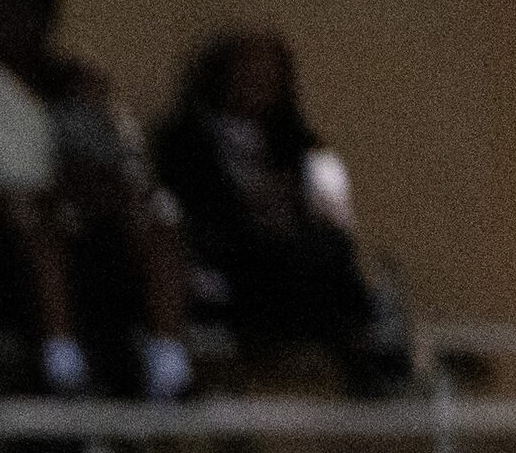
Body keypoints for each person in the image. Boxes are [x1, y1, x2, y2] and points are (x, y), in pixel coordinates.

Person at [0, 0, 193, 398]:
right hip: (8, 235)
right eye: (5, 17)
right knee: (42, 228)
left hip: (92, 226)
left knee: (158, 220)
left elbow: (119, 162)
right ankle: (62, 364)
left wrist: (94, 182)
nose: (16, 27)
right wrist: (32, 199)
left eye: (29, 18)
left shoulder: (75, 86)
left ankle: (169, 365)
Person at [154, 31, 406, 393]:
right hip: (227, 256)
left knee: (329, 249)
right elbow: (182, 208)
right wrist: (249, 208)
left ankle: (374, 349)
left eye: (268, 72)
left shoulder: (301, 145)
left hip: (292, 249)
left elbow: (331, 211)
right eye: (247, 70)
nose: (257, 81)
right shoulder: (184, 140)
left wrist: (287, 209)